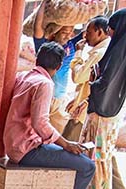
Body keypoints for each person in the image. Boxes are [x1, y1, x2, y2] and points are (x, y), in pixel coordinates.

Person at [4, 43, 103, 189]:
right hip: (27, 150)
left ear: (37, 59)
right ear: (58, 67)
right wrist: (66, 144)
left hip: (15, 144)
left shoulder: (24, 76)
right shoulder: (45, 83)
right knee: (87, 166)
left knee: (79, 159)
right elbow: (40, 123)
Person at [79, 9, 126, 189]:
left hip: (101, 114)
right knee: (103, 157)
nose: (110, 32)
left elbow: (103, 83)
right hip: (110, 113)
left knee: (95, 157)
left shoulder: (115, 53)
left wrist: (92, 82)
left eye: (112, 28)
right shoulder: (125, 51)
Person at [33, 1, 82, 133]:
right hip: (44, 95)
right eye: (65, 32)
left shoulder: (70, 45)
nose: (69, 35)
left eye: (71, 32)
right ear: (54, 32)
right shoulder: (45, 46)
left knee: (56, 134)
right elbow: (37, 26)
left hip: (60, 98)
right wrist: (44, 2)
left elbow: (87, 24)